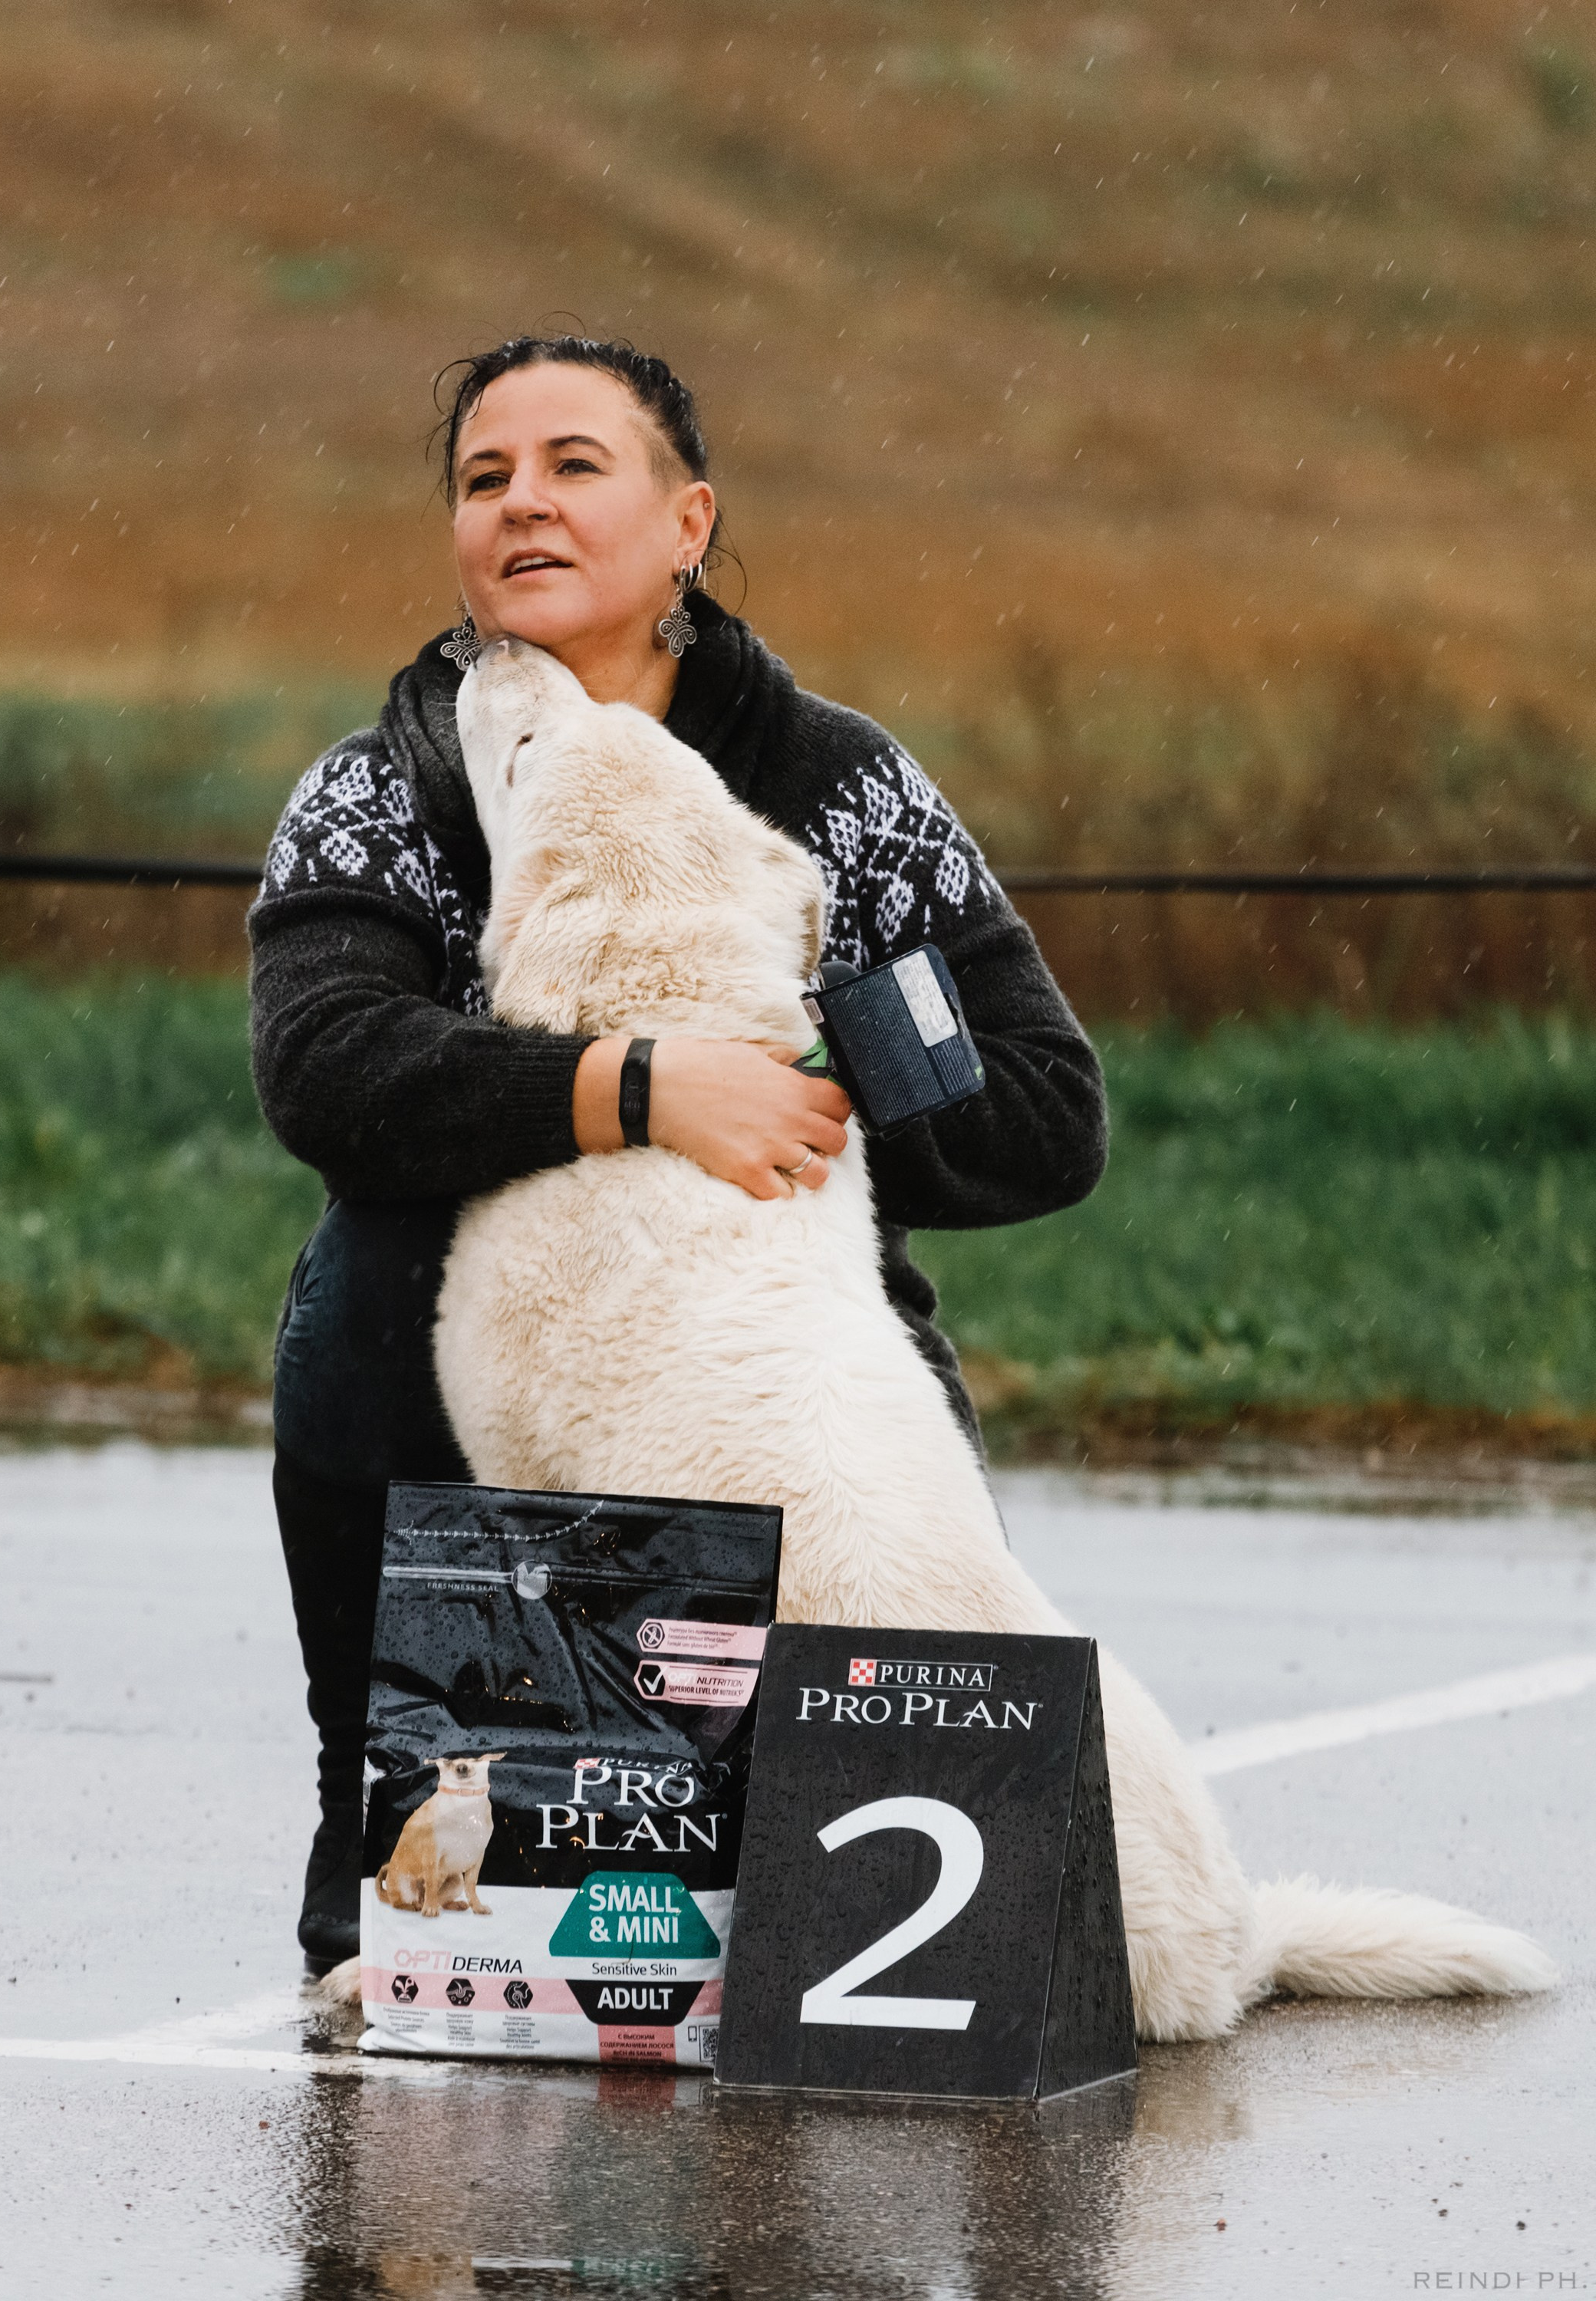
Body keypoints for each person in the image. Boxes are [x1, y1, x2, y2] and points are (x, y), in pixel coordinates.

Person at [249, 334, 1109, 1972]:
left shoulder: (842, 790)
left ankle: (859, 1847)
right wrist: (638, 1091)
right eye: (484, 479)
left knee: (887, 1813)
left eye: (576, 466)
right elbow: (327, 1072)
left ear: (687, 521)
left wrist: (808, 1061)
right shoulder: (381, 792)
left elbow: (1044, 1115)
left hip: (767, 1345)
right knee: (362, 1275)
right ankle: (389, 1785)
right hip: (457, 1350)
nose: (524, 507)